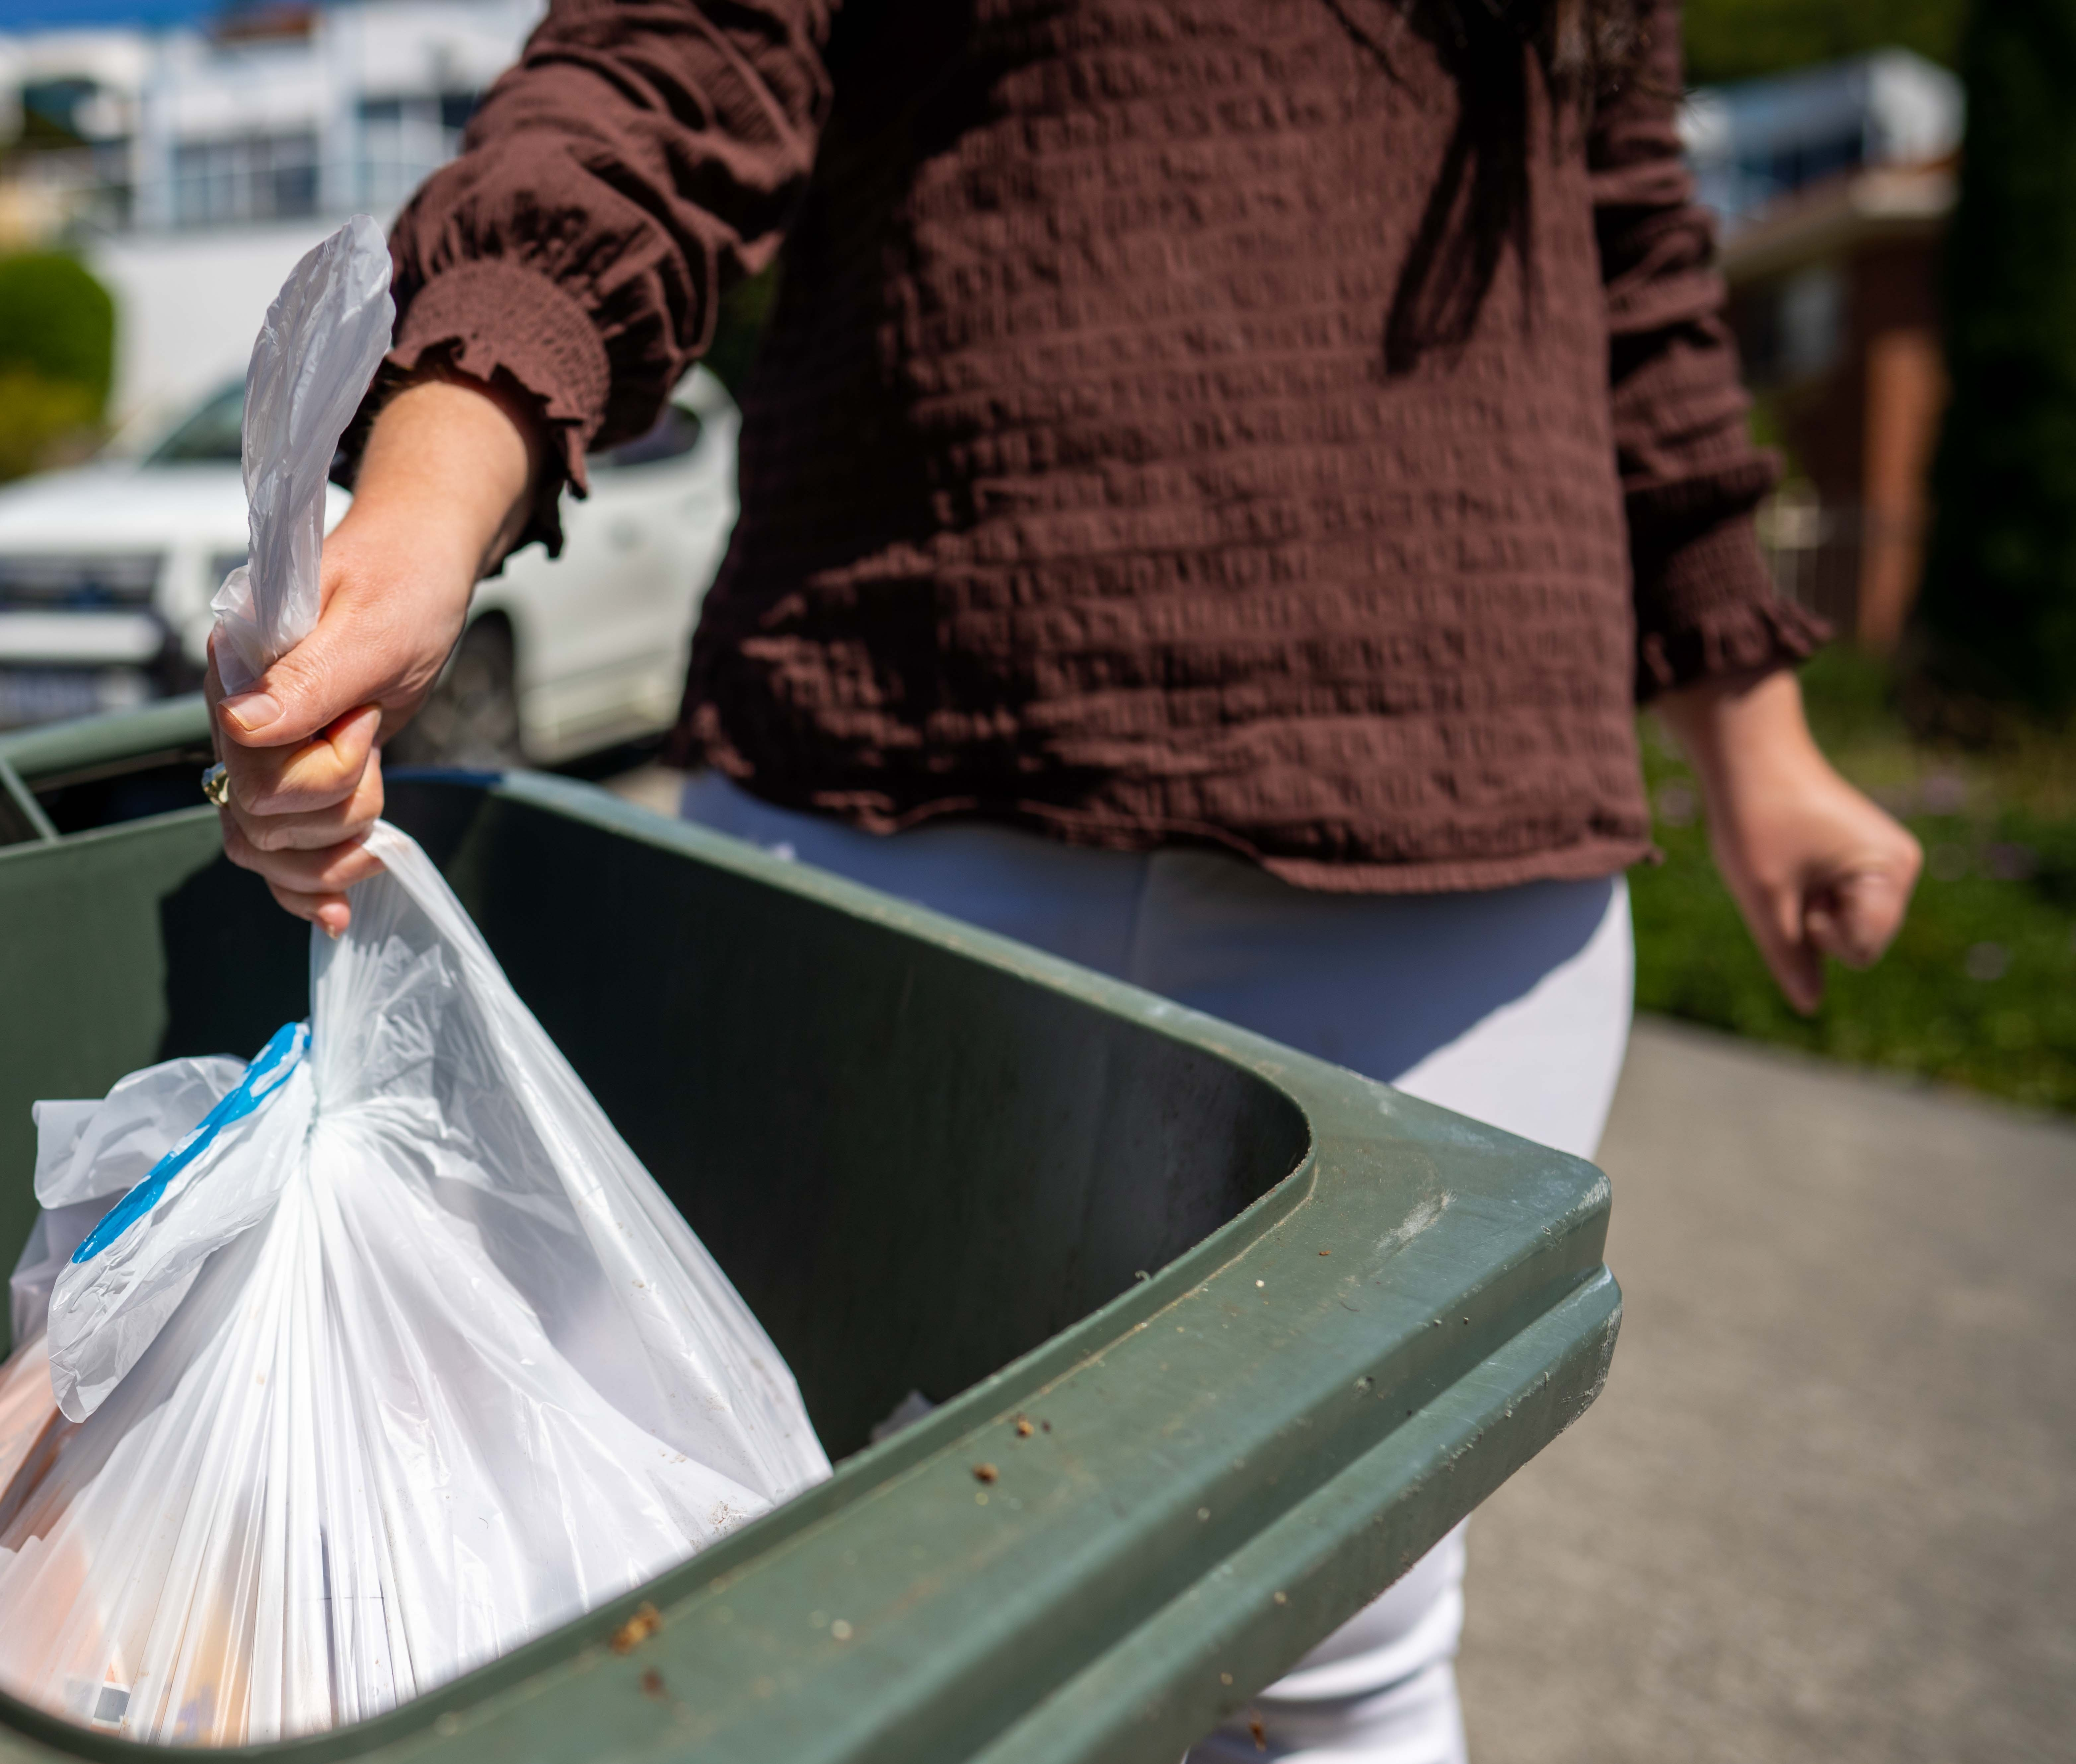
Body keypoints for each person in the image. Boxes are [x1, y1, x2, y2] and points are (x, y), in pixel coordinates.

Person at [200, 1, 1924, 1757]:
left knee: (1316, 1647)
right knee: (793, 1585)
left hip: (1441, 852)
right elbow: (668, 63)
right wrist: (435, 482)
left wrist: (1757, 738)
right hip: (887, 798)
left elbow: (1621, 239)